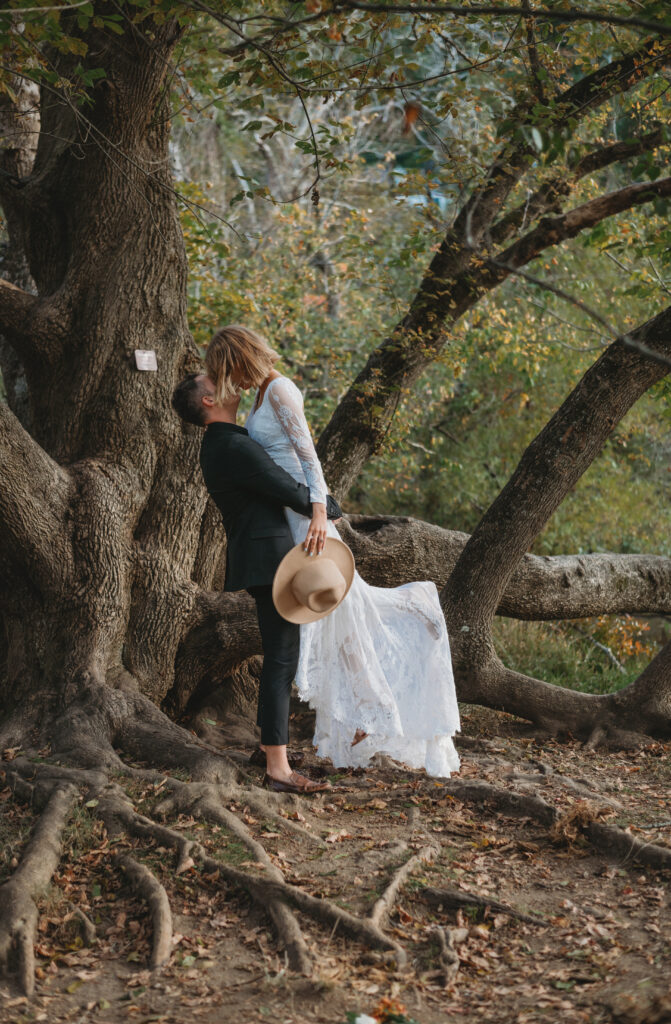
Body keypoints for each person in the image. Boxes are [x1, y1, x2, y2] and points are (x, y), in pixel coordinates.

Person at [204, 326, 461, 778]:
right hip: (288, 520)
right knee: (342, 623)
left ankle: (416, 617)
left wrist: (321, 512)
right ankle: (368, 712)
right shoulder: (260, 398)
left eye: (232, 372)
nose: (233, 383)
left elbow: (309, 456)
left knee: (350, 613)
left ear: (243, 359)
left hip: (310, 521)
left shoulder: (280, 390)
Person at [171, 372, 342, 794]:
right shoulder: (232, 446)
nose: (228, 382)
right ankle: (278, 770)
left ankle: (269, 748)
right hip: (268, 561)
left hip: (262, 558)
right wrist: (328, 507)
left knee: (279, 653)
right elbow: (285, 488)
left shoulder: (225, 443)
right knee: (282, 658)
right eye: (216, 381)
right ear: (209, 401)